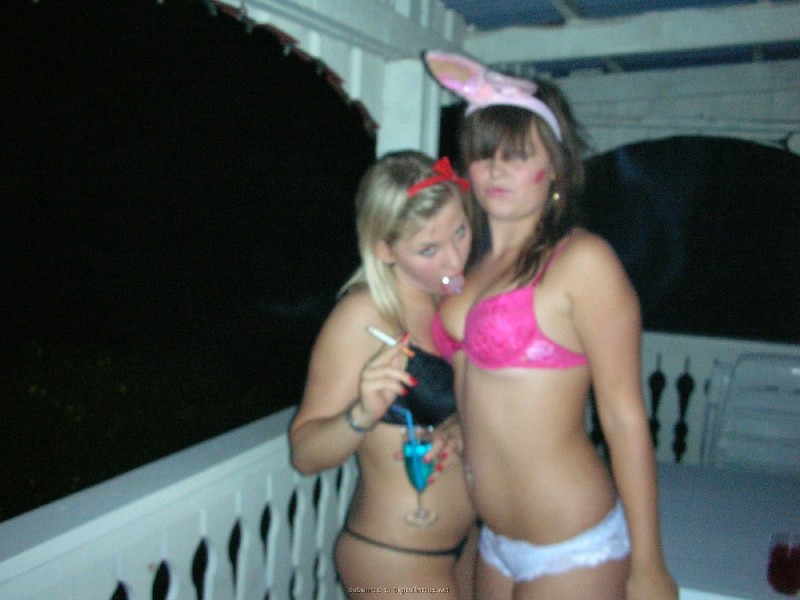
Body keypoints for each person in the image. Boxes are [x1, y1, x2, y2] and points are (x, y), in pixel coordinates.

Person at [423, 51, 678, 600]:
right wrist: (462, 423)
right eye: (483, 154)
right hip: (492, 539)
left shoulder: (583, 261)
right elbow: (494, 386)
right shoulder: (468, 265)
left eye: (517, 155)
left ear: (557, 169)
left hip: (572, 542)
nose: (495, 169)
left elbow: (623, 417)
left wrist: (649, 564)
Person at [289, 150, 478, 599]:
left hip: (466, 544)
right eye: (429, 249)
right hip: (395, 557)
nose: (454, 259)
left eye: (460, 231)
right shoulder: (362, 316)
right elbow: (304, 454)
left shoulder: (450, 301)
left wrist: (457, 424)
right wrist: (362, 413)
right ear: (385, 250)